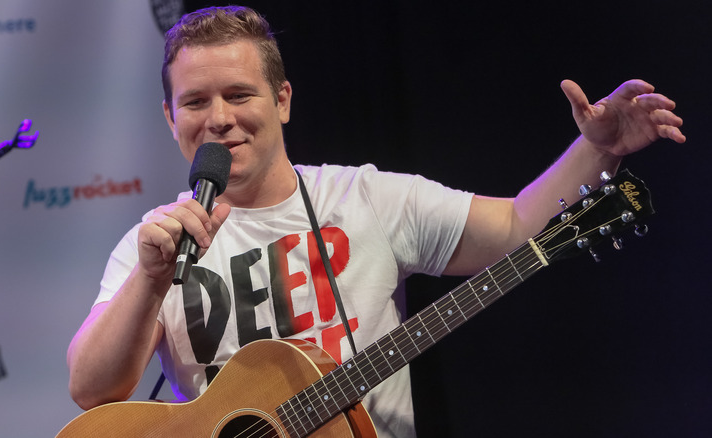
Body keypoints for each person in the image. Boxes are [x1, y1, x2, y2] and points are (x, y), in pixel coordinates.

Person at [65, 5, 685, 437]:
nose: (219, 118)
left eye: (239, 94)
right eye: (195, 102)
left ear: (282, 100)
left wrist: (597, 149)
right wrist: (150, 278)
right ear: (171, 118)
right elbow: (91, 393)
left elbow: (518, 226)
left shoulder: (366, 197)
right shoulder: (153, 244)